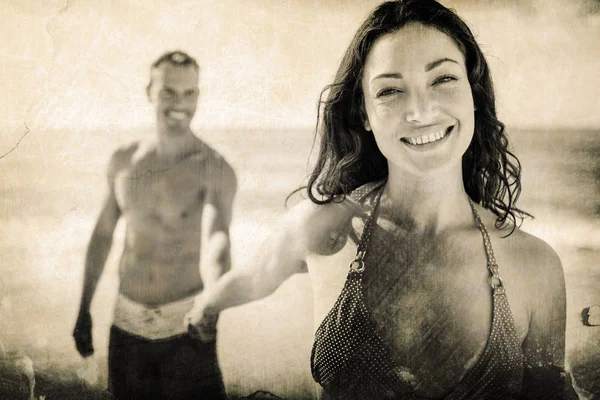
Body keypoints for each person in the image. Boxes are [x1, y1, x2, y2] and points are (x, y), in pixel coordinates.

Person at [186, 1, 579, 399]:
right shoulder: (325, 227)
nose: (421, 110)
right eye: (390, 90)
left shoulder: (535, 266)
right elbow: (256, 275)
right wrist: (204, 308)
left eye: (442, 79)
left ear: (472, 94)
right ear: (365, 114)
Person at [73, 50, 236, 400]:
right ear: (149, 91)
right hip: (126, 328)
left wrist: (212, 306)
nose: (181, 103)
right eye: (169, 92)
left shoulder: (214, 168)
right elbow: (102, 236)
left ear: (199, 95)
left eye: (189, 93)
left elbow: (218, 239)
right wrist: (83, 309)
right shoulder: (123, 161)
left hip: (187, 329)